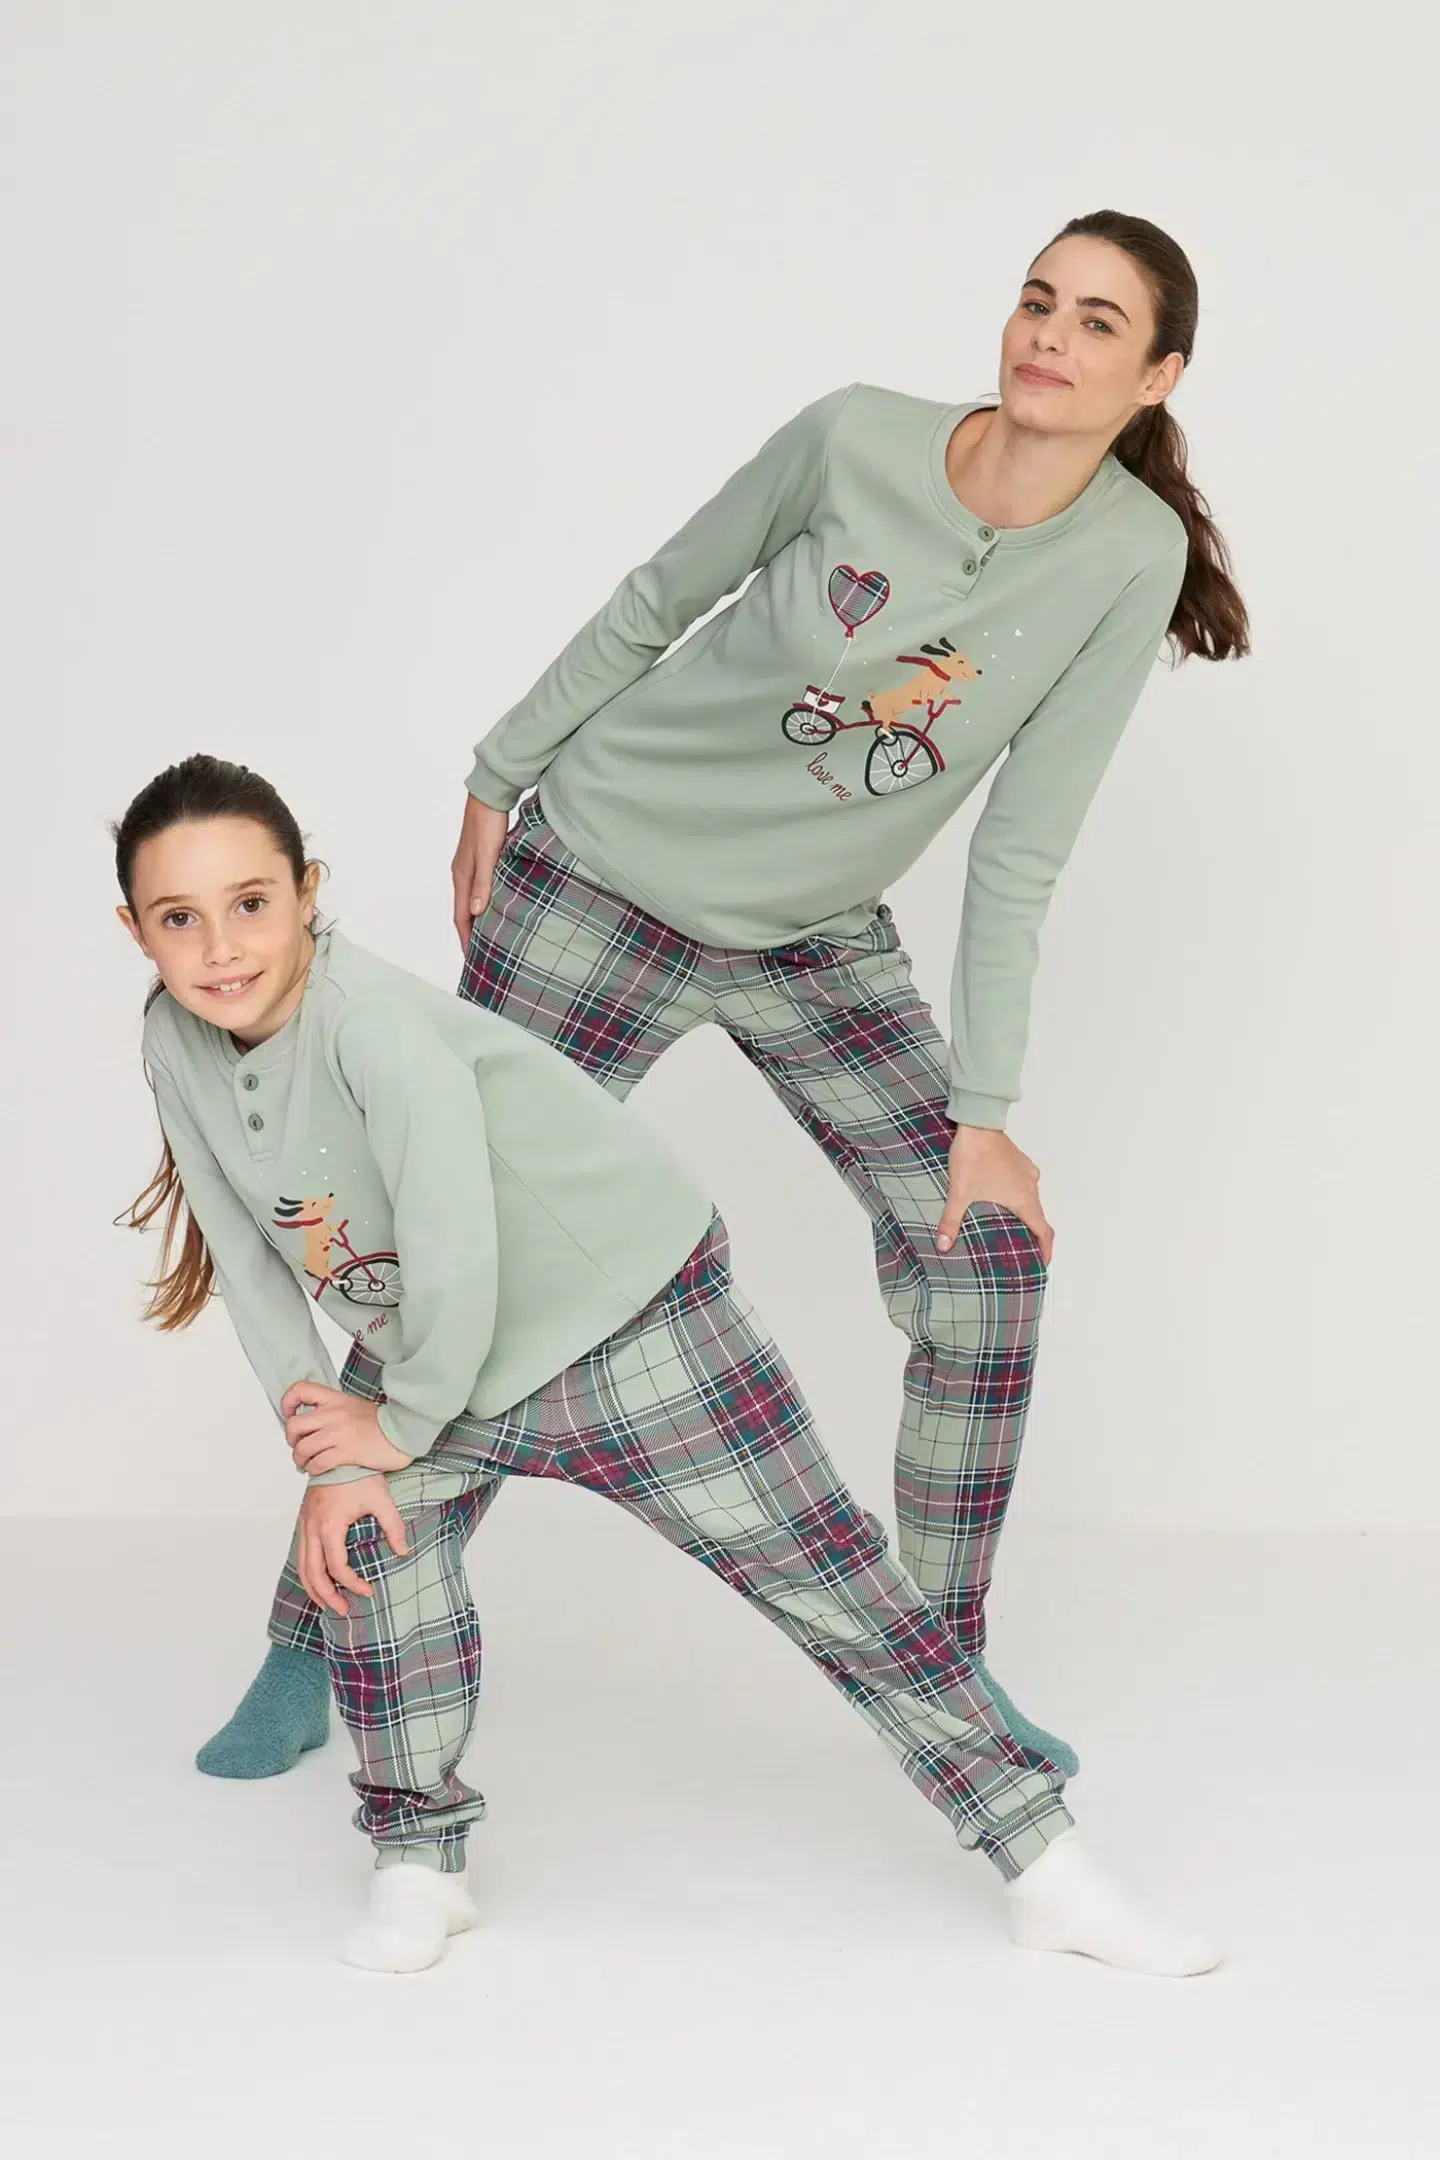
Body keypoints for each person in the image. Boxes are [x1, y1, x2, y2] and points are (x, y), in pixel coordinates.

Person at [208, 205, 1248, 1790]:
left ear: (1158, 376)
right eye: (1039, 298)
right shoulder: (854, 437)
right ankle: (317, 1638)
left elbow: (1023, 847)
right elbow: (661, 595)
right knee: (454, 1264)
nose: (1051, 333)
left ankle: (942, 1673)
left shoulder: (1129, 555)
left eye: (1100, 321)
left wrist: (984, 1117)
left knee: (984, 1260)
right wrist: (500, 768)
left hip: (811, 934)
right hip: (600, 874)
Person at [116, 754, 1220, 1976]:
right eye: (180, 918)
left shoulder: (372, 1026)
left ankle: (1048, 1867)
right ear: (136, 931)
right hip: (441, 1357)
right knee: (370, 1556)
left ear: (308, 891)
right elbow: (244, 1257)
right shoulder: (173, 1040)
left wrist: (400, 1421)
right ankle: (418, 1864)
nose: (221, 946)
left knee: (830, 1581)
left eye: (250, 903)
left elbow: (455, 1239)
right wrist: (334, 1455)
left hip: (627, 1319)